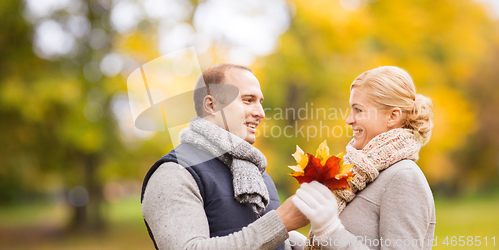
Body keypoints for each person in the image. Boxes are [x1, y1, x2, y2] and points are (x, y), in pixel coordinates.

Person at [141, 64, 308, 250]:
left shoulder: (256, 173)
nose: (260, 113)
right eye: (248, 100)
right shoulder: (174, 173)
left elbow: (250, 227)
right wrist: (280, 223)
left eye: (260, 102)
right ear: (211, 105)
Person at [292, 66, 436, 250]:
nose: (349, 119)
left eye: (358, 110)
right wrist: (287, 237)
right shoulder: (360, 175)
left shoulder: (404, 177)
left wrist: (329, 231)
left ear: (392, 116)